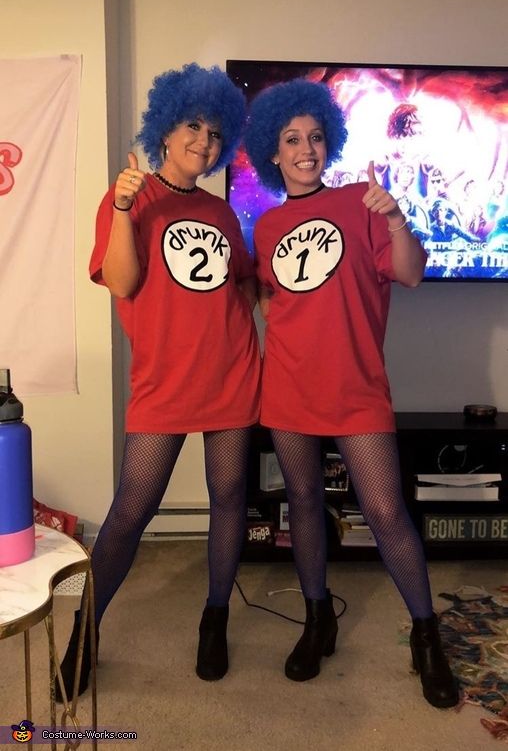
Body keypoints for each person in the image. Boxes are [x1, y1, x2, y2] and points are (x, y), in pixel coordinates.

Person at [244, 78, 459, 708]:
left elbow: (412, 273)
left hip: (358, 390)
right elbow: (270, 303)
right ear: (273, 154)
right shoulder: (267, 229)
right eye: (291, 139)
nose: (305, 148)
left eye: (314, 137)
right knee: (304, 505)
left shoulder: (362, 205)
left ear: (327, 144)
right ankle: (319, 621)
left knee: (388, 514)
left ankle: (428, 640)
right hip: (286, 391)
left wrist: (394, 218)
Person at [56, 63, 261, 700]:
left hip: (231, 375)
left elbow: (245, 289)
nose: (204, 139)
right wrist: (121, 207)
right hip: (164, 383)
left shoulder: (223, 214)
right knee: (129, 514)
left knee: (229, 498)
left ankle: (215, 618)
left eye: (216, 131)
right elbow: (121, 282)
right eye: (193, 124)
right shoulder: (132, 198)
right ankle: (85, 636)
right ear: (166, 129)